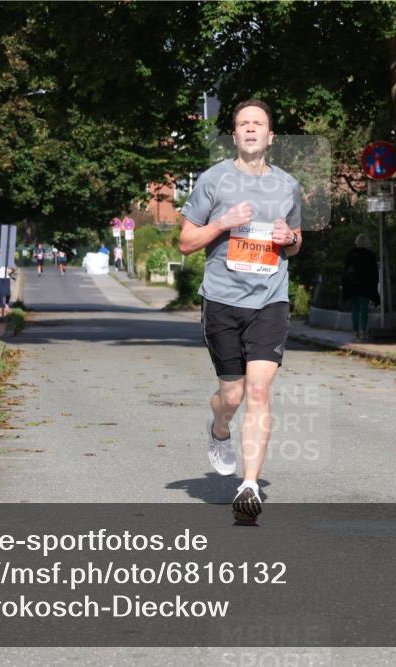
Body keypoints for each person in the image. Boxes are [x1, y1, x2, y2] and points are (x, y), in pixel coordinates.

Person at [178, 99, 303, 524]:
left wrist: (290, 239)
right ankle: (218, 428)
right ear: (234, 135)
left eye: (258, 123)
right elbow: (186, 242)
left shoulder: (288, 185)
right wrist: (222, 223)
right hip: (223, 299)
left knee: (259, 392)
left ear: (270, 137)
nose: (250, 129)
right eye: (243, 123)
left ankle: (249, 485)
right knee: (231, 395)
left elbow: (296, 239)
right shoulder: (213, 181)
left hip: (270, 298)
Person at [341, 233, 380, 341]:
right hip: (366, 286)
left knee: (354, 308)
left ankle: (356, 330)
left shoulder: (351, 254)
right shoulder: (370, 255)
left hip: (353, 285)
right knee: (364, 309)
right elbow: (374, 272)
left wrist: (344, 283)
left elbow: (346, 270)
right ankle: (363, 330)